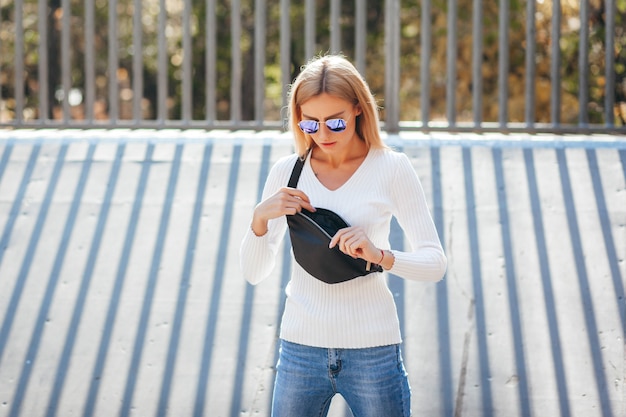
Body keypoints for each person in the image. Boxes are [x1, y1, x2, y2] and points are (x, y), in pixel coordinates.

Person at [239, 54, 447, 417]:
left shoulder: (391, 168)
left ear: (357, 109)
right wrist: (259, 219)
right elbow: (254, 273)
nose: (322, 135)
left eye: (335, 122)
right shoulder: (288, 172)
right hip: (299, 350)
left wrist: (380, 254)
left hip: (374, 352)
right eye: (310, 123)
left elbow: (435, 264)